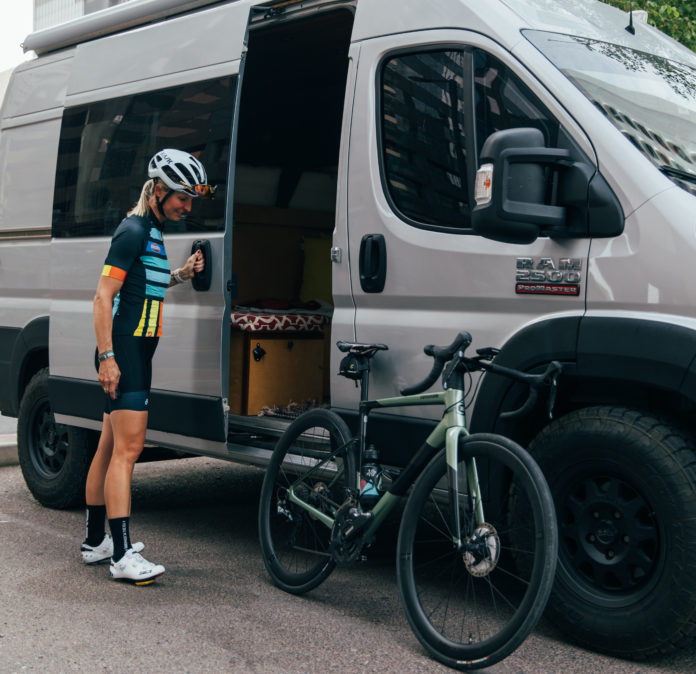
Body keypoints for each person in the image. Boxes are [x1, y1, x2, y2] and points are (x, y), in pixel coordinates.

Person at [79, 149, 214, 584]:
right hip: (125, 351)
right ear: (157, 190)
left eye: (191, 201)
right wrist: (107, 358)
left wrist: (180, 274)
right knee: (128, 451)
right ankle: (121, 555)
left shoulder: (152, 232)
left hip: (136, 350)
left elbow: (142, 287)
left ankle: (95, 541)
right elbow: (103, 298)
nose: (187, 207)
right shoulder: (133, 230)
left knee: (107, 446)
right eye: (181, 198)